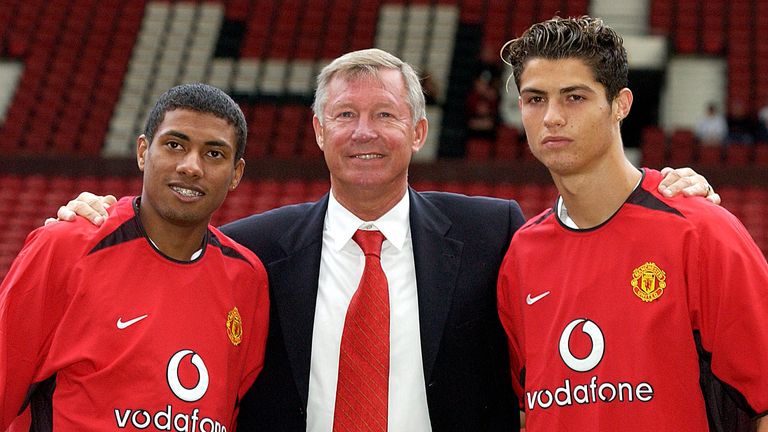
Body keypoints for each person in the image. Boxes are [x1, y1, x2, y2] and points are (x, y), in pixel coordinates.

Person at [52, 49, 718, 432]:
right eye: (344, 115)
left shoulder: (496, 234)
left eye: (384, 115)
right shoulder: (251, 250)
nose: (362, 132)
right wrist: (95, 213)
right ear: (317, 131)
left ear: (419, 133)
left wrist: (665, 185)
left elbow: (592, 244)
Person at [497, 16, 768, 432]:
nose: (551, 117)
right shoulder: (521, 254)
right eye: (535, 99)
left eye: (574, 97)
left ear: (620, 104)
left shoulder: (700, 231)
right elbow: (525, 410)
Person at [0, 83, 270, 430]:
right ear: (143, 151)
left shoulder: (247, 279)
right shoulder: (66, 247)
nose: (191, 167)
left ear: (236, 174)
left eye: (214, 154)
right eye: (175, 145)